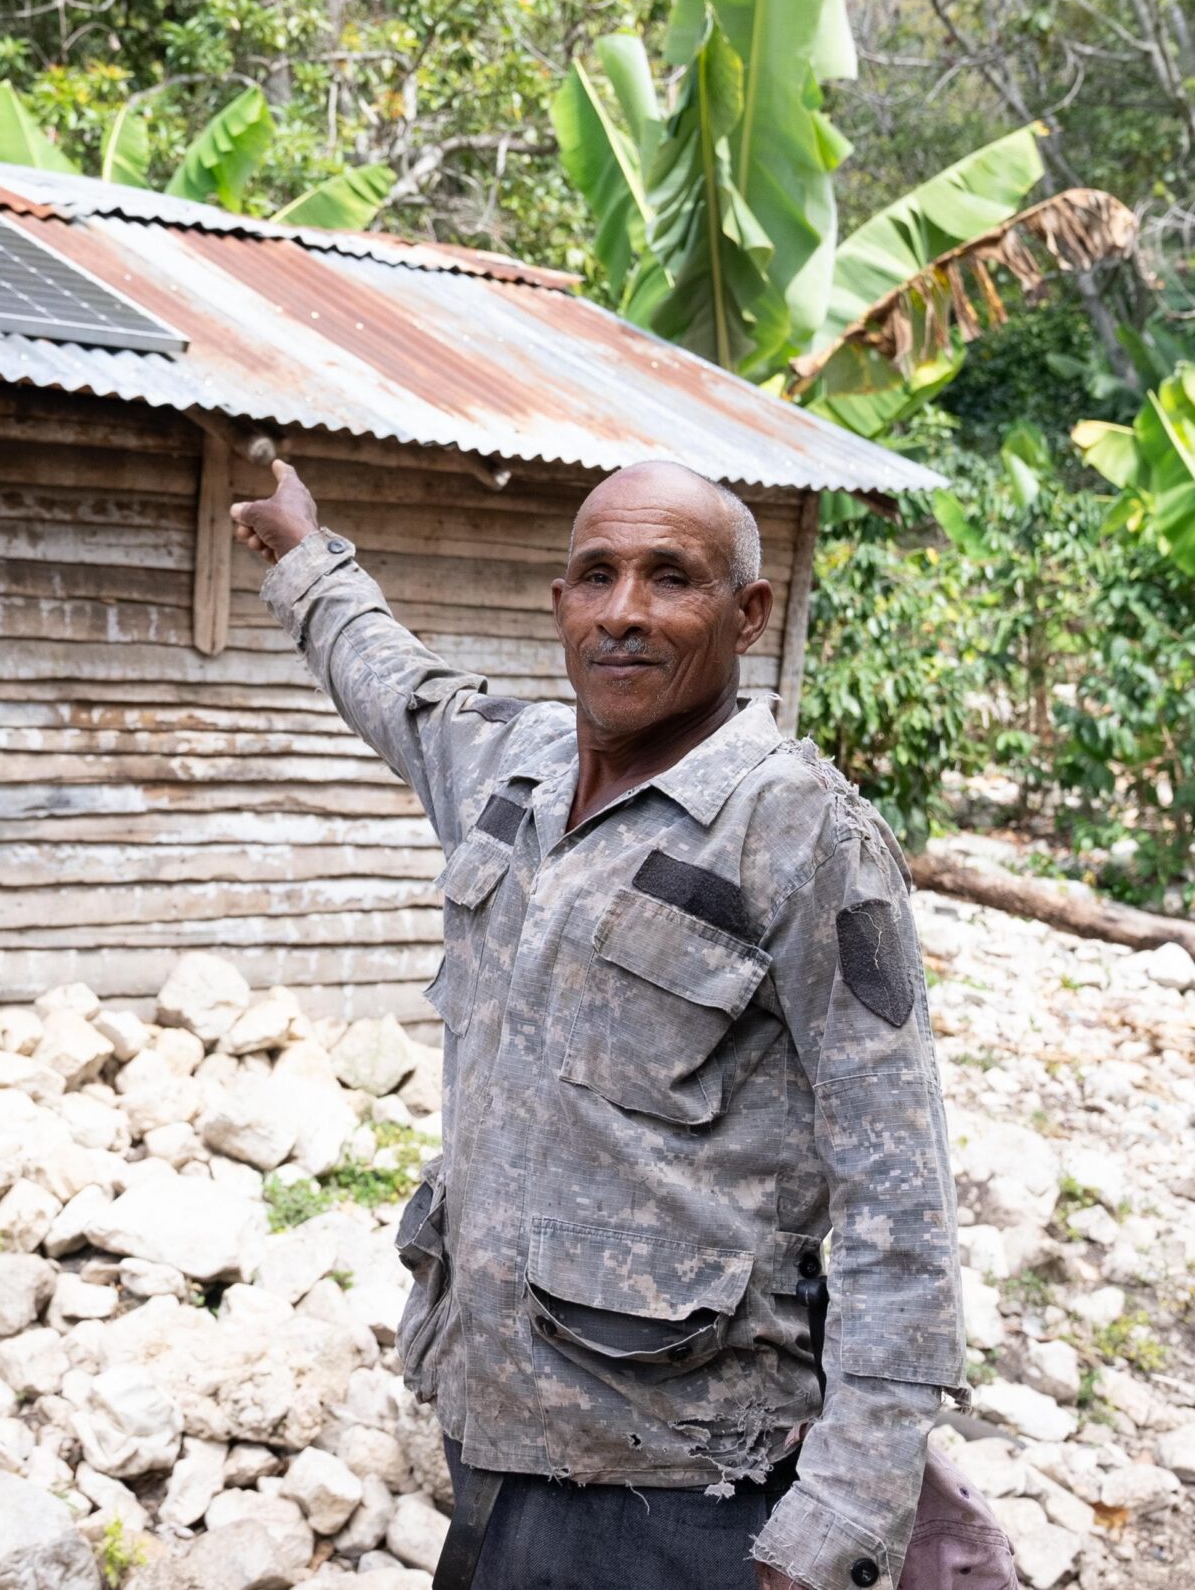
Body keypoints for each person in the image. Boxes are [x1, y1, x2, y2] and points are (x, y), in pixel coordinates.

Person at [230, 458, 965, 1590]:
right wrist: (303, 552)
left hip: (682, 1493)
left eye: (669, 578)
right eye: (597, 576)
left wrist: (835, 1526)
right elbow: (395, 685)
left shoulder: (801, 834)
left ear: (747, 612)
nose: (624, 611)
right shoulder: (509, 767)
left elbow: (897, 1200)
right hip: (494, 1438)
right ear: (560, 603)